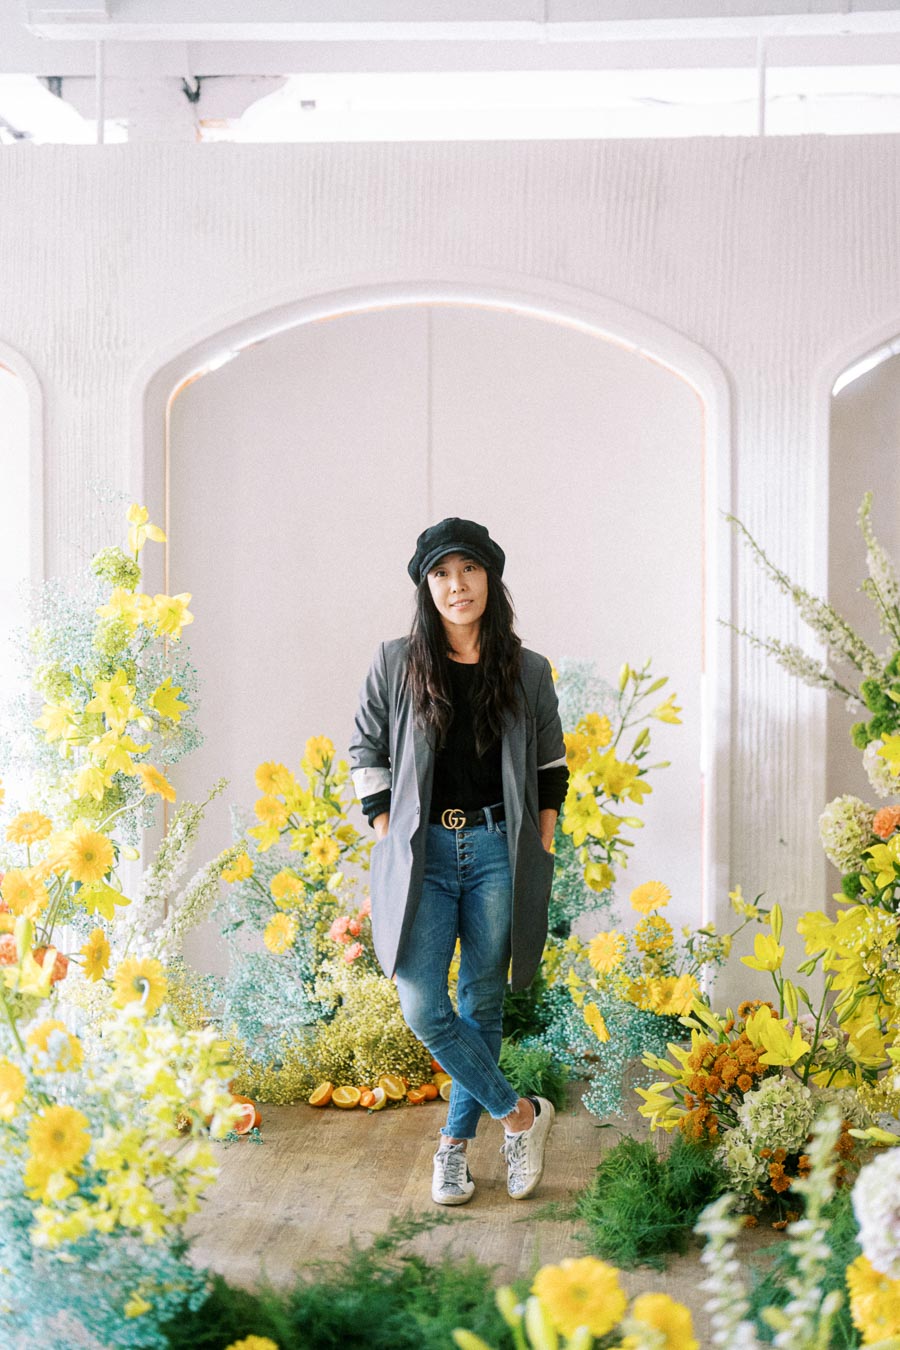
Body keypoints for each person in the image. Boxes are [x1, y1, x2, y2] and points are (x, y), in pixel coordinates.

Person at [349, 517, 568, 1206]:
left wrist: (543, 840)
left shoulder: (527, 670)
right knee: (424, 1005)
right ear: (426, 586)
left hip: (499, 849)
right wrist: (389, 829)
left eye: (468, 569)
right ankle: (520, 1116)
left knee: (481, 1001)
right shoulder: (395, 660)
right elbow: (365, 751)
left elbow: (550, 764)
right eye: (441, 573)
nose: (456, 585)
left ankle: (452, 1148)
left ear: (489, 577)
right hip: (425, 855)